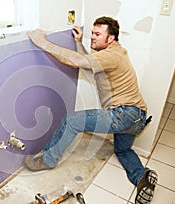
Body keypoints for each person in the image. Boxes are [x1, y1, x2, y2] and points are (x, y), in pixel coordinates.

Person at [24, 16, 158, 204]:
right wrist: (79, 42)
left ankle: (48, 159)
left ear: (110, 39)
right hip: (136, 119)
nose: (92, 37)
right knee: (123, 151)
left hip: (123, 115)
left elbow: (77, 61)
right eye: (92, 33)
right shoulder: (114, 53)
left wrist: (41, 41)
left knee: (71, 121)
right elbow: (88, 64)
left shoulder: (111, 55)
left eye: (97, 34)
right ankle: (142, 177)